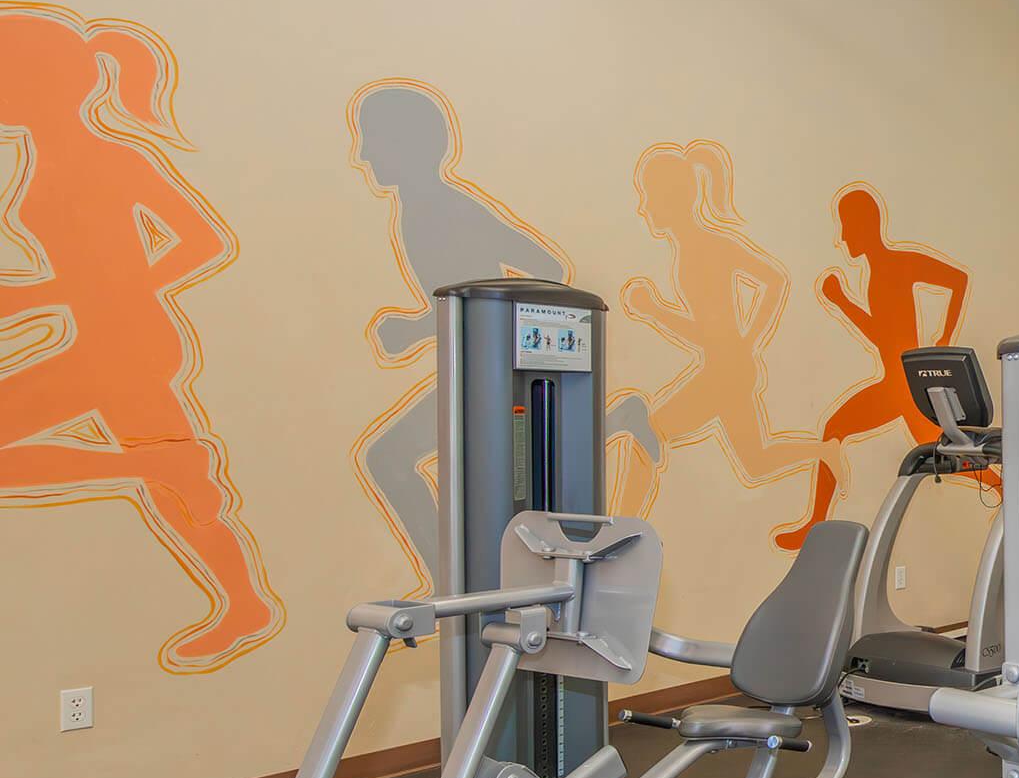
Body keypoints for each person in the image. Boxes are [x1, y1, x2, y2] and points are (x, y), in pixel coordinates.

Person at [0, 2, 283, 672]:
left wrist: (50, 294)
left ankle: (148, 467)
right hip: (110, 342)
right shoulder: (56, 158)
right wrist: (47, 295)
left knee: (168, 474)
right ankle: (245, 602)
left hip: (122, 347)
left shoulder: (103, 156)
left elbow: (202, 240)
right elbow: (93, 272)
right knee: (180, 488)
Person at [347, 79, 655, 590]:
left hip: (492, 372)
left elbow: (545, 266)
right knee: (408, 460)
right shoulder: (421, 209)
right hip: (476, 368)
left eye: (373, 137)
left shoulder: (447, 207)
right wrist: (425, 326)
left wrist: (444, 328)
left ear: (414, 142)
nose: (362, 153)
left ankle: (452, 581)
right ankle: (454, 578)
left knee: (390, 457)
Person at [611, 141, 816, 520]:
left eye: (647, 196)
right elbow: (772, 282)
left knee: (647, 435)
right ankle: (827, 451)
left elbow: (770, 284)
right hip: (729, 369)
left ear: (670, 199)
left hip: (726, 373)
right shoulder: (696, 247)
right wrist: (746, 342)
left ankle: (618, 534)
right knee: (756, 461)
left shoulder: (701, 249)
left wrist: (655, 311)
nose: (642, 206)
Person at [775, 183, 984, 550]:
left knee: (958, 457)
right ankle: (813, 526)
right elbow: (882, 336)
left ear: (865, 225)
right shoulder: (876, 273)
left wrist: (944, 338)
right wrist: (843, 303)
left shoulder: (897, 263)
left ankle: (1011, 490)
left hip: (903, 388)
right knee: (837, 429)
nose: (842, 238)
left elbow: (958, 280)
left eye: (846, 227)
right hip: (894, 384)